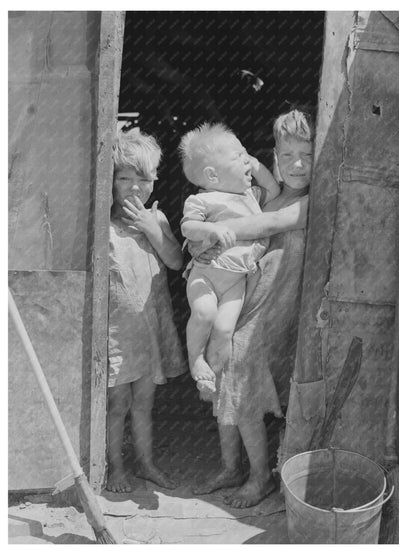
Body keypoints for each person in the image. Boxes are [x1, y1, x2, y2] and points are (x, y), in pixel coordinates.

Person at [189, 109, 314, 508]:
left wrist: (210, 236)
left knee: (241, 375)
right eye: (288, 154)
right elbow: (238, 205)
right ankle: (231, 467)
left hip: (274, 307)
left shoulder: (312, 200)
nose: (297, 164)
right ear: (275, 155)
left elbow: (268, 225)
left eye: (307, 155)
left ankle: (260, 477)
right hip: (243, 297)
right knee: (225, 374)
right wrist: (205, 234)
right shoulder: (269, 192)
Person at [106, 126, 186, 493]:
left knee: (144, 403)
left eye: (144, 179)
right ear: (111, 182)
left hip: (150, 330)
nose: (135, 188)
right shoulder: (103, 226)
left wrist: (152, 229)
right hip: (118, 335)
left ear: (155, 181)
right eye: (125, 179)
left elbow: (174, 261)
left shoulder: (159, 219)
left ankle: (147, 463)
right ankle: (115, 467)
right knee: (117, 404)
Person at [179, 122, 280, 398]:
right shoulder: (204, 200)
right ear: (212, 175)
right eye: (238, 157)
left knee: (224, 330)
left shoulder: (250, 196)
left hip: (236, 282)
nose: (246, 159)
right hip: (207, 275)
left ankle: (212, 380)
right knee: (204, 313)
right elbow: (188, 228)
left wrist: (256, 165)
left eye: (246, 154)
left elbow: (273, 190)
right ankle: (196, 358)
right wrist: (211, 230)